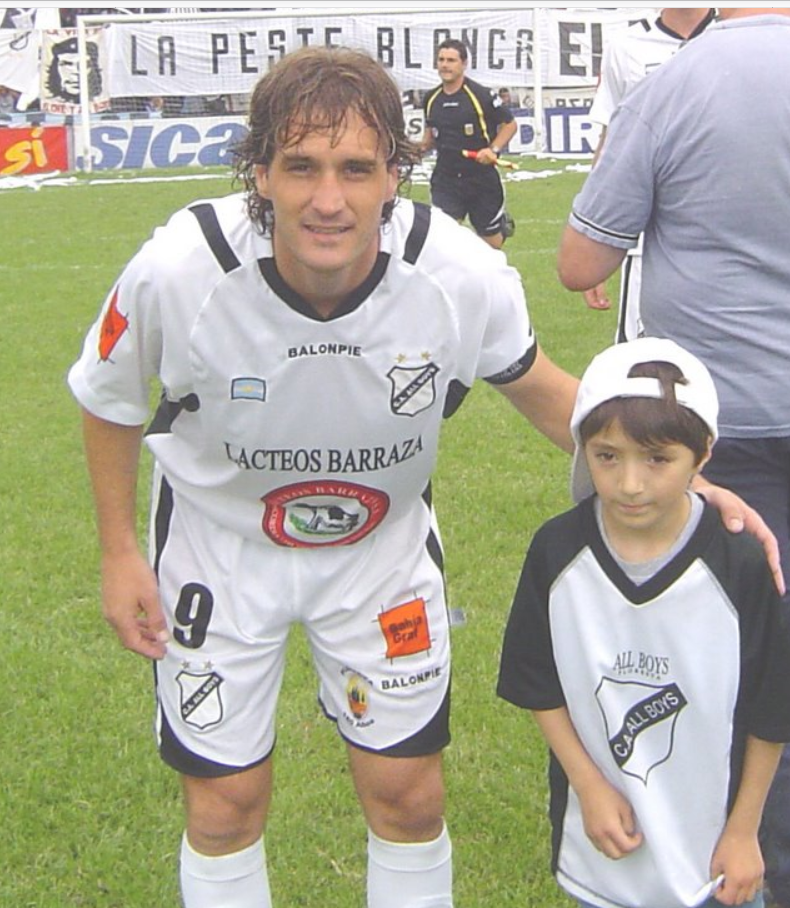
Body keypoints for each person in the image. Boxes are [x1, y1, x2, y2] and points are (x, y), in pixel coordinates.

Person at [67, 42, 777, 908]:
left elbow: (547, 392)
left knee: (407, 796)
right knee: (223, 807)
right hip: (218, 551)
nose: (329, 200)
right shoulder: (180, 269)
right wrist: (116, 552)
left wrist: (687, 489)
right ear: (259, 172)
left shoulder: (455, 274)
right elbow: (108, 398)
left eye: (358, 169)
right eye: (301, 167)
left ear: (395, 174)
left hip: (380, 555)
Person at [557, 11, 790, 905]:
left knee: (723, 675)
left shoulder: (679, 81)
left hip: (716, 437)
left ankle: (737, 861)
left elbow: (582, 261)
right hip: (722, 438)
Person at [498, 337, 790, 908]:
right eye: (608, 456)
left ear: (703, 455)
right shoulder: (557, 552)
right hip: (606, 841)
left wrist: (743, 829)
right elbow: (538, 683)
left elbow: (771, 707)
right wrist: (588, 784)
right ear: (584, 449)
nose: (630, 484)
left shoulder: (739, 564)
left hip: (715, 856)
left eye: (657, 459)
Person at [581, 7, 715, 335]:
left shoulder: (736, 35)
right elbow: (610, 143)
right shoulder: (626, 46)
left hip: (725, 236)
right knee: (646, 364)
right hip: (647, 243)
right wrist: (593, 247)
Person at [421, 38, 517, 249]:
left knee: (490, 246)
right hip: (446, 180)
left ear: (464, 64)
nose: (445, 65)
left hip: (481, 180)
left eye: (451, 60)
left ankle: (500, 226)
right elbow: (428, 141)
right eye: (441, 60)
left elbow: (510, 125)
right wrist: (410, 151)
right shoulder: (430, 99)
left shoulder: (481, 95)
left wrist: (492, 150)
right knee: (444, 242)